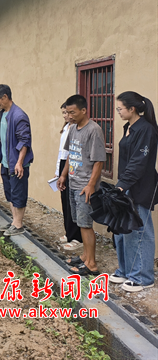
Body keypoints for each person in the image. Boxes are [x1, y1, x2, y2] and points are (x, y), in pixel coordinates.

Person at [109, 92, 157, 292]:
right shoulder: (128, 127)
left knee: (140, 231)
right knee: (122, 230)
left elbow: (139, 163)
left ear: (132, 108)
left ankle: (143, 277)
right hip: (126, 186)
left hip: (140, 187)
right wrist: (121, 186)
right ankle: (126, 270)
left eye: (120, 108)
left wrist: (122, 185)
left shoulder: (146, 130)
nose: (118, 112)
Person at [57, 94, 105, 276]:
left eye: (73, 112)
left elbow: (99, 161)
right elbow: (71, 154)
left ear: (84, 110)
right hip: (73, 181)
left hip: (85, 185)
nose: (69, 116)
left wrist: (91, 185)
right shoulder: (72, 129)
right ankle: (85, 256)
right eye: (67, 112)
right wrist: (63, 175)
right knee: (79, 222)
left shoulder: (94, 130)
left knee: (85, 225)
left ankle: (91, 264)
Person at [0, 84, 34, 237]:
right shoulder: (3, 114)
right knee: (10, 192)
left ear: (5, 97)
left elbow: (24, 141)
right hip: (6, 162)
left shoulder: (19, 116)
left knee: (18, 193)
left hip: (16, 163)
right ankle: (14, 221)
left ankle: (18, 225)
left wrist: (19, 162)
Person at [56, 102, 82, 250]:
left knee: (73, 202)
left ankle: (76, 236)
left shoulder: (77, 129)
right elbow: (61, 152)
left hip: (72, 165)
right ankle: (69, 232)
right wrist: (58, 172)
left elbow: (72, 153)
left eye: (68, 112)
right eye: (64, 113)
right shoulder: (66, 128)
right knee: (65, 201)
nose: (66, 116)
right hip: (64, 164)